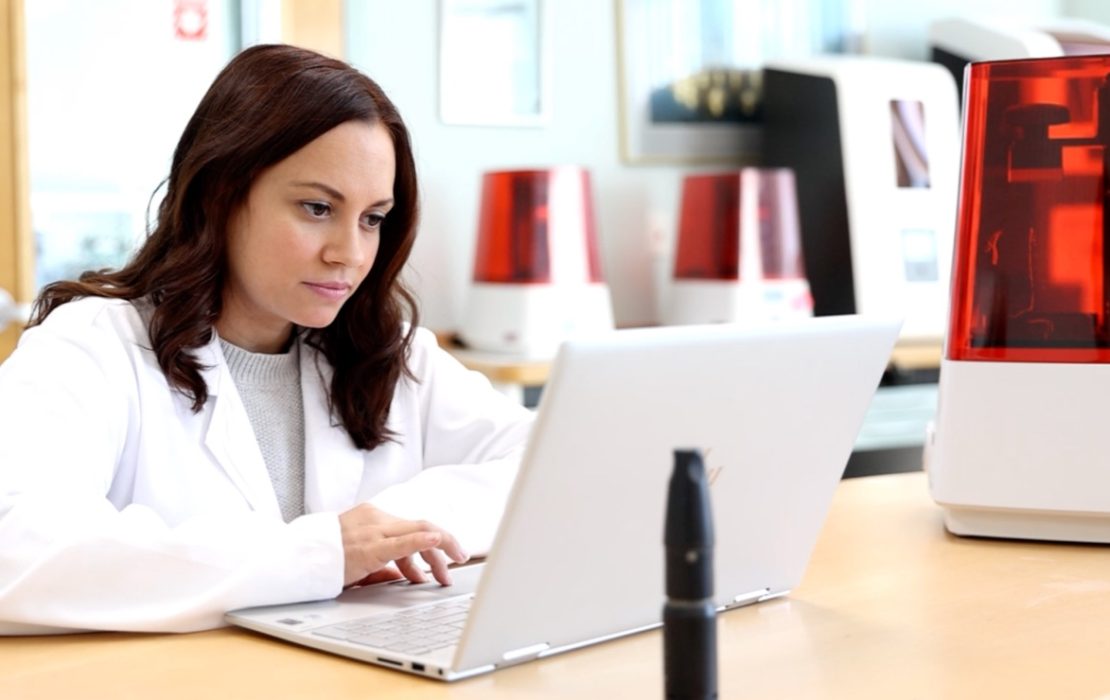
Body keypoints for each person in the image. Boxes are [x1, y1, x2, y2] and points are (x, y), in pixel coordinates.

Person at [0, 44, 534, 634]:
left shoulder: (389, 351)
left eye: (372, 218)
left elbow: (549, 465)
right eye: (316, 207)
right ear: (220, 195)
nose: (349, 254)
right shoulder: (91, 345)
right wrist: (318, 554)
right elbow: (16, 549)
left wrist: (395, 530)